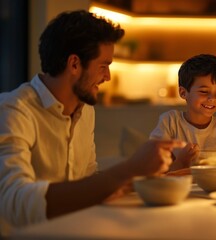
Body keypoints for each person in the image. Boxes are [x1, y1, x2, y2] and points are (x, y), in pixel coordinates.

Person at [0, 10, 185, 234]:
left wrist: (140, 178)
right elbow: (13, 202)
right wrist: (129, 169)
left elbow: (87, 179)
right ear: (75, 64)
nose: (107, 77)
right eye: (103, 65)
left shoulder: (85, 109)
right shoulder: (13, 110)